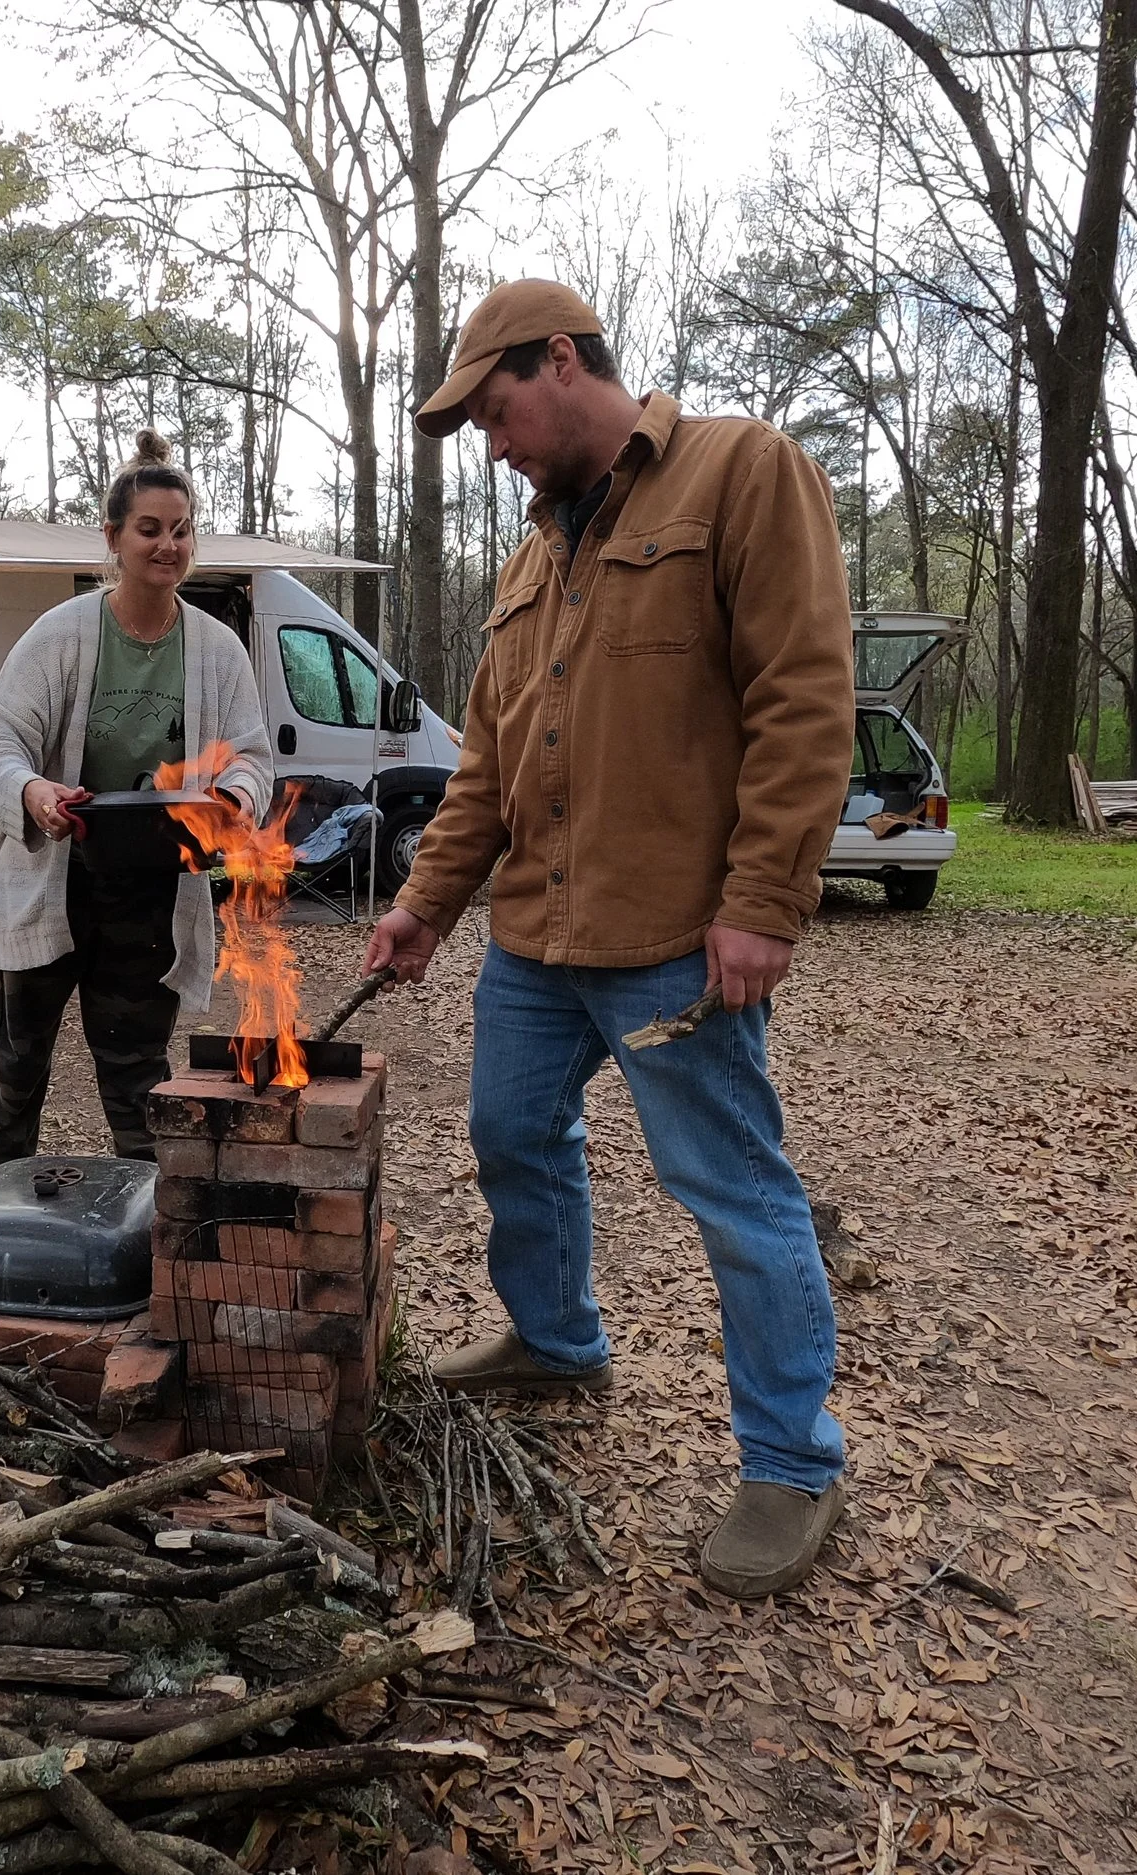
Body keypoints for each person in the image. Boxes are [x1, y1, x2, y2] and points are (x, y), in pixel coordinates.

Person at [363, 280, 856, 1599]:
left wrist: (763, 902)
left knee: (735, 1188)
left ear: (565, 358)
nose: (491, 439)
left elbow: (805, 701)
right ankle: (559, 1336)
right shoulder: (531, 562)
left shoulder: (740, 473)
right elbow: (486, 771)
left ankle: (794, 1459)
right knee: (511, 1133)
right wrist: (423, 904)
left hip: (669, 939)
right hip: (535, 940)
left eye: (496, 406)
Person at [0, 430, 273, 1165]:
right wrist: (36, 790)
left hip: (150, 889)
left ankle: (144, 1215)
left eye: (181, 530)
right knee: (16, 1061)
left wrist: (232, 799)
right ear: (114, 537)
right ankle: (2, 1198)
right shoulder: (61, 636)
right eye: (149, 530)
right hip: (52, 877)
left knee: (138, 1070)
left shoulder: (215, 649)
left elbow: (251, 758)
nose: (168, 545)